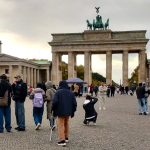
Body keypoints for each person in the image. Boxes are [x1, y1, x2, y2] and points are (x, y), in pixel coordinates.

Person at [52, 80, 77, 146]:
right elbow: (74, 103)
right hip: (68, 111)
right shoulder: (71, 93)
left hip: (60, 111)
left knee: (61, 125)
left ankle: (62, 140)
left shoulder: (58, 92)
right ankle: (66, 137)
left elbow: (54, 102)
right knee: (66, 123)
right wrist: (73, 111)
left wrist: (53, 109)